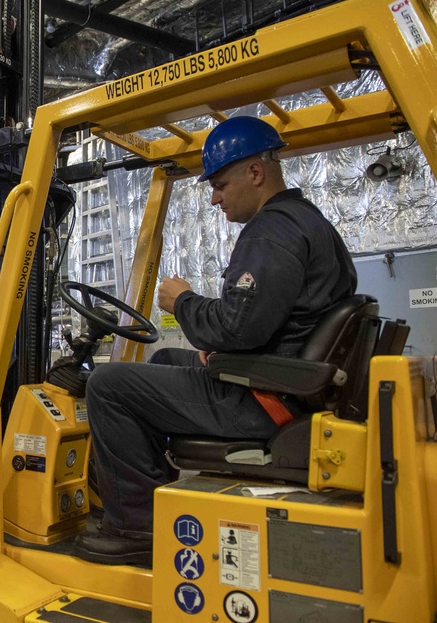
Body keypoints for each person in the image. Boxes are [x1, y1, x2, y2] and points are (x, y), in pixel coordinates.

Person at [74, 116, 357, 567]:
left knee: (108, 384)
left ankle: (136, 525)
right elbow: (266, 321)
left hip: (261, 399)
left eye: (221, 184)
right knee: (164, 357)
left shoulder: (272, 232)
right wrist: (223, 348)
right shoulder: (306, 223)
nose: (215, 198)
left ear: (256, 173)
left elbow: (235, 328)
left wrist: (182, 300)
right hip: (281, 381)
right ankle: (153, 490)